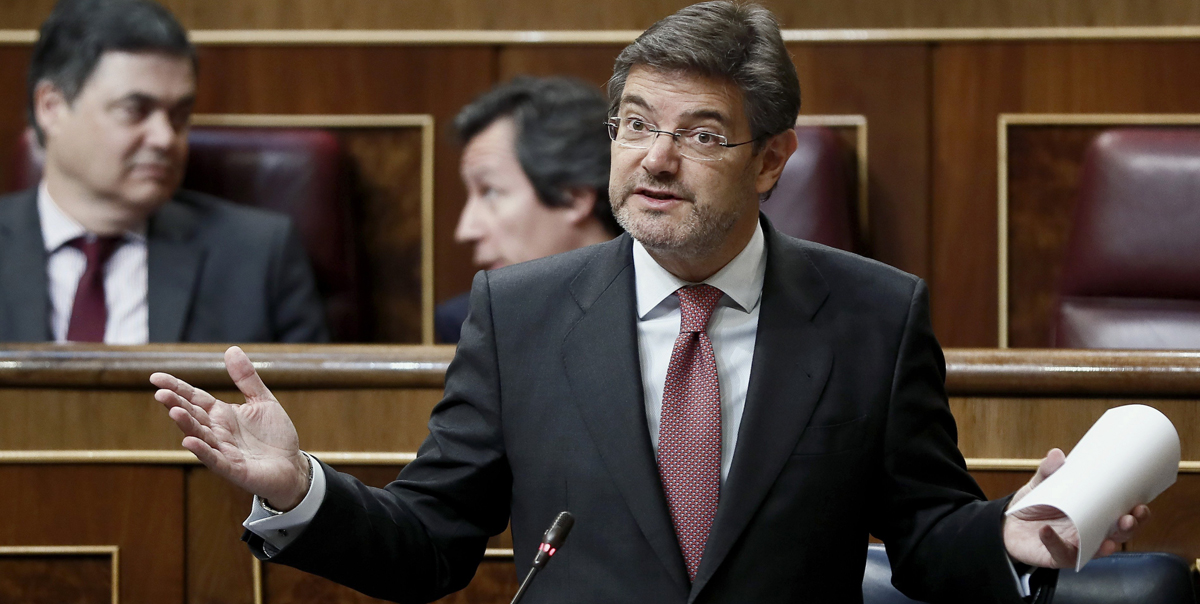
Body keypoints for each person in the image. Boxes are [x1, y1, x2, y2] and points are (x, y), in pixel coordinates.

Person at [151, 2, 1150, 603]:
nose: (656, 158)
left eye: (700, 133)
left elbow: (929, 537)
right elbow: (430, 543)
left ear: (771, 160)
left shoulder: (872, 316)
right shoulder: (522, 312)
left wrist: (1017, 530)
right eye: (634, 123)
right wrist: (296, 489)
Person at [0, 0, 328, 344]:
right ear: (51, 108)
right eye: (135, 110)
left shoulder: (259, 257)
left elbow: (309, 400)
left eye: (180, 115)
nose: (165, 138)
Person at [437, 77, 620, 343]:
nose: (465, 231)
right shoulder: (465, 326)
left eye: (489, 191)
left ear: (574, 197)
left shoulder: (672, 313)